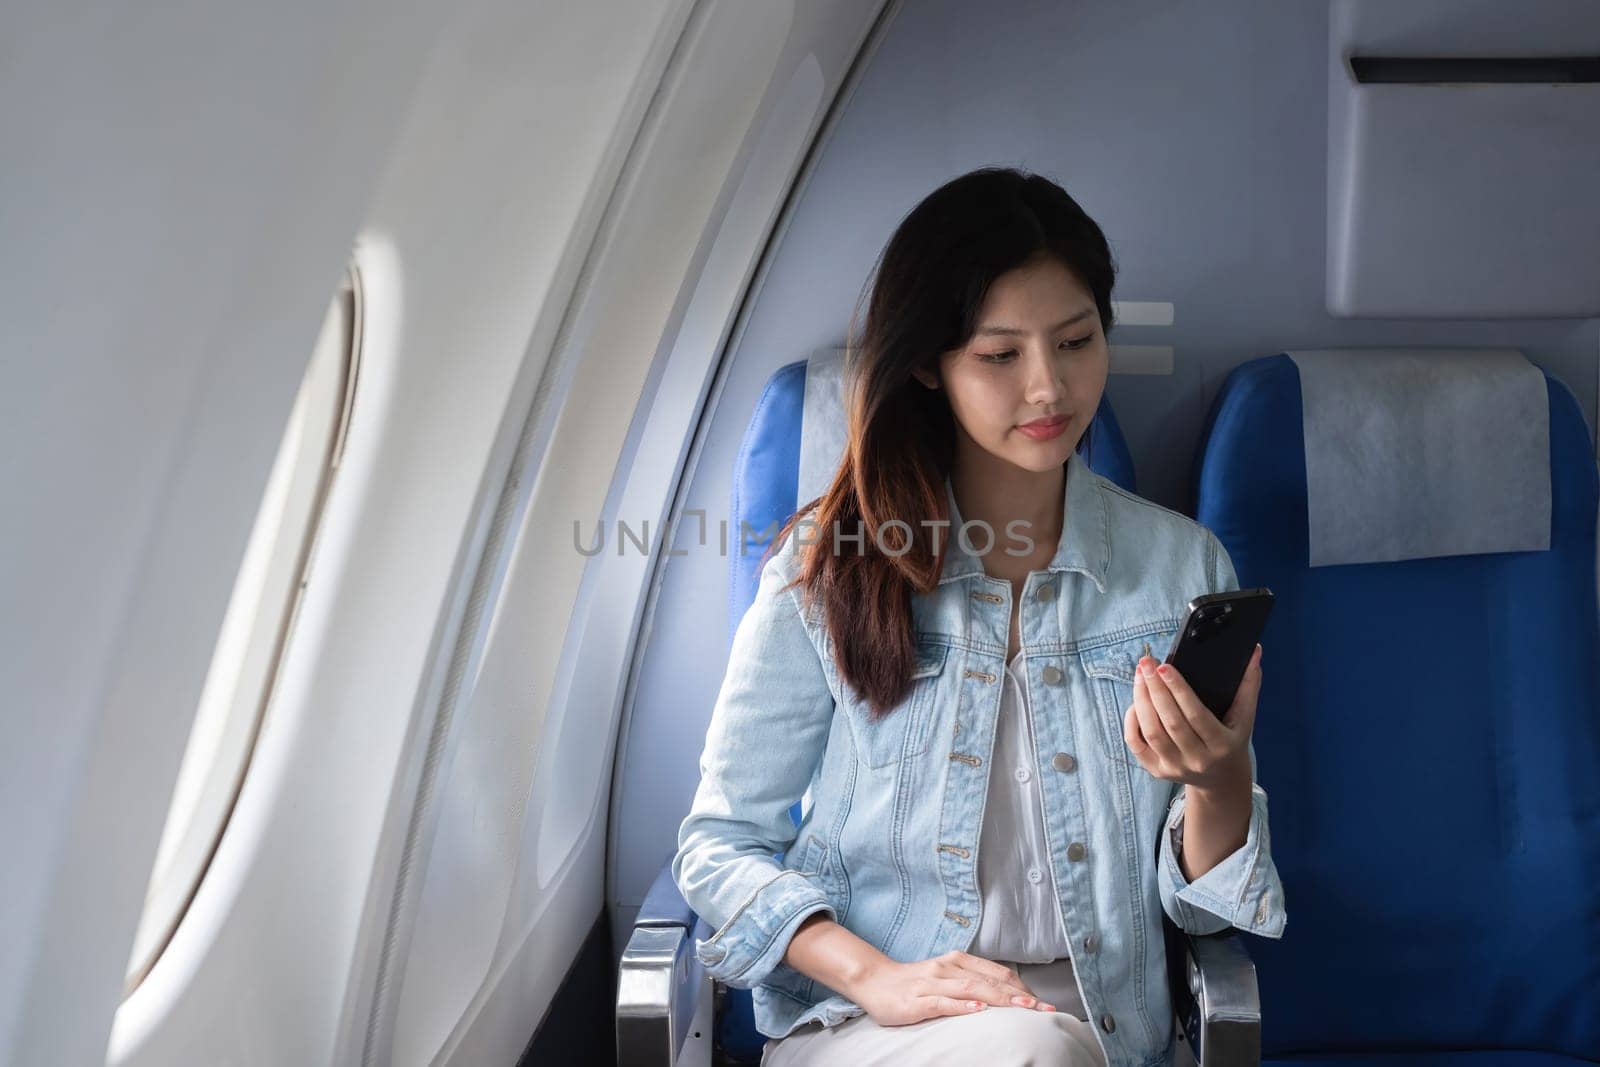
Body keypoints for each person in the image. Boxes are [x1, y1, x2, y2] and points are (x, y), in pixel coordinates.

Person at [673, 166, 1287, 1067]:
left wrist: (1221, 779)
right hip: (872, 1025)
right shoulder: (826, 570)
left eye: (1076, 342)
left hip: (1101, 1034)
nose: (1049, 388)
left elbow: (1197, 912)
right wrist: (875, 975)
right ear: (929, 362)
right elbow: (720, 845)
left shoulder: (1179, 570)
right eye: (1001, 356)